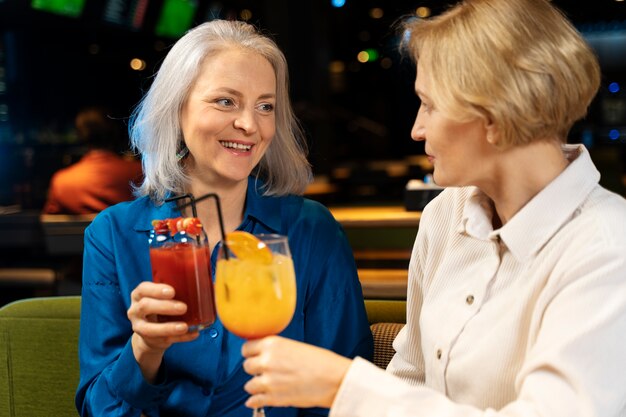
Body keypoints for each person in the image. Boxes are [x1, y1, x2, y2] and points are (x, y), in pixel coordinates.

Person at [240, 1, 626, 416]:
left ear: (494, 116)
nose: (416, 129)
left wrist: (343, 387)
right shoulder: (444, 215)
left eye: (429, 104)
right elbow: (411, 375)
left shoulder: (607, 248)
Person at [75, 20, 373, 417]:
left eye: (265, 106)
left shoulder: (311, 231)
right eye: (226, 101)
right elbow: (99, 408)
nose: (250, 125)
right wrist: (145, 348)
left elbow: (346, 395)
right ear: (177, 107)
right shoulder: (112, 236)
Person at [43, 106, 143, 214]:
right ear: (115, 132)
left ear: (79, 135)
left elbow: (50, 222)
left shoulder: (61, 182)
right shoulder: (140, 173)